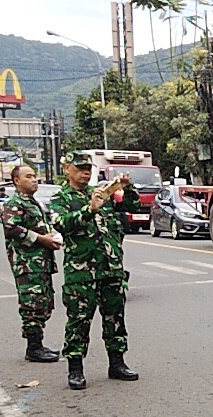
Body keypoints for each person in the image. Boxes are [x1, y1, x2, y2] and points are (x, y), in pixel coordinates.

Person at [51, 151, 143, 390]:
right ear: (67, 169)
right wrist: (90, 210)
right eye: (79, 168)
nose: (85, 172)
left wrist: (127, 187)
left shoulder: (104, 194)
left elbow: (133, 206)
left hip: (111, 270)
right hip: (81, 273)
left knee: (115, 318)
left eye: (88, 168)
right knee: (79, 321)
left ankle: (117, 362)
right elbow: (62, 224)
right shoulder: (61, 198)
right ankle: (75, 368)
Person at [1, 165, 62, 363]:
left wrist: (52, 237)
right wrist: (41, 239)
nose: (34, 180)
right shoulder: (14, 202)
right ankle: (33, 347)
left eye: (35, 176)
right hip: (27, 264)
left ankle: (38, 344)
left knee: (43, 302)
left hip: (41, 262)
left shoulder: (33, 203)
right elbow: (11, 229)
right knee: (31, 303)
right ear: (17, 181)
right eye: (28, 177)